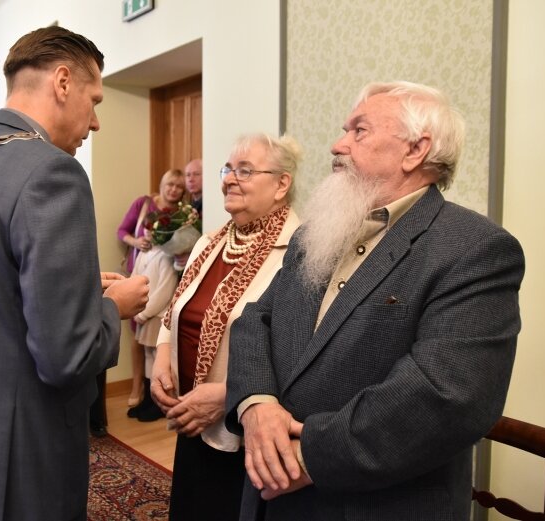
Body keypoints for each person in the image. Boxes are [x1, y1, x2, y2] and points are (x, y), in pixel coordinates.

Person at [224, 81, 526, 520]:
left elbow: (445, 397)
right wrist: (257, 405)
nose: (338, 143)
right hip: (271, 497)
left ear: (415, 150)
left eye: (358, 130)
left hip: (374, 504)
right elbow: (258, 320)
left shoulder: (475, 249)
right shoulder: (318, 234)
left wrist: (307, 456)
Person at [0, 26, 149, 521]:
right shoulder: (51, 172)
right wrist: (114, 306)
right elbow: (67, 355)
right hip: (17, 446)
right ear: (63, 82)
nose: (96, 122)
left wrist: (80, 291)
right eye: (95, 99)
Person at [150, 133, 302, 521]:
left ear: (282, 184)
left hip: (242, 427)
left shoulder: (300, 252)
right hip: (190, 417)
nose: (229, 179)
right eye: (228, 169)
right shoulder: (209, 242)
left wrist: (230, 395)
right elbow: (175, 309)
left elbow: (294, 349)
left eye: (245, 170)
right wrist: (161, 362)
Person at [118, 169, 185, 408]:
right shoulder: (144, 203)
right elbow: (122, 231)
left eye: (179, 186)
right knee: (137, 339)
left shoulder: (181, 215)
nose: (174, 189)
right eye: (170, 184)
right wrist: (136, 242)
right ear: (161, 182)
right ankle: (138, 386)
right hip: (140, 271)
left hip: (162, 278)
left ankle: (154, 395)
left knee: (156, 345)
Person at [126, 225, 179, 422]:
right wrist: (134, 306)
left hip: (156, 315)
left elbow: (164, 291)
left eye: (156, 230)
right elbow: (134, 280)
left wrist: (145, 313)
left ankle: (160, 403)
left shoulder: (166, 256)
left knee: (159, 357)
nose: (151, 234)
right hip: (143, 314)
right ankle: (148, 398)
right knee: (148, 355)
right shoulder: (143, 254)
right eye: (148, 229)